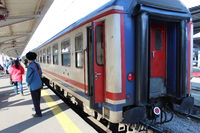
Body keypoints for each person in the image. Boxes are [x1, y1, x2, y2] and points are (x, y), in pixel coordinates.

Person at [26, 51, 43, 117]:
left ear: (28, 58)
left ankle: (38, 113)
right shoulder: (37, 64)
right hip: (39, 84)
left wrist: (28, 84)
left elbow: (28, 77)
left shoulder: (30, 66)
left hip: (33, 85)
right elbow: (41, 73)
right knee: (38, 98)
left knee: (35, 99)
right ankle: (37, 108)